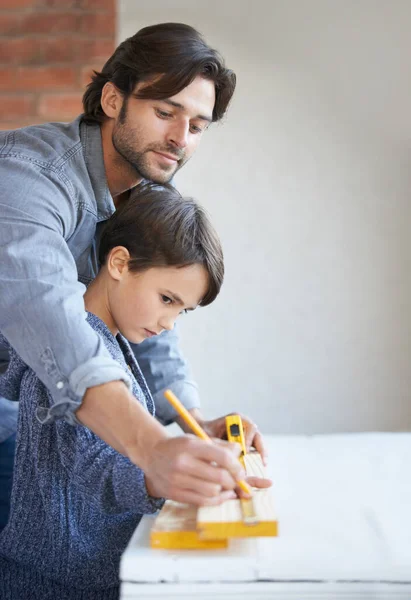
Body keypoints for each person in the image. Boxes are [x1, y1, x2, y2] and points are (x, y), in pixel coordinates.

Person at [0, 22, 268, 530]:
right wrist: (154, 447)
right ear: (112, 100)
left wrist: (189, 424)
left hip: (28, 417)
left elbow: (151, 328)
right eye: (165, 112)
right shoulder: (27, 179)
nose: (179, 138)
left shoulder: (150, 197)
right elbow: (56, 326)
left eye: (197, 125)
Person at [0, 184, 271, 600]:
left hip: (90, 573)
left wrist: (191, 451)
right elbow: (89, 465)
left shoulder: (111, 342)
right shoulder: (68, 356)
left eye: (182, 310)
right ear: (120, 263)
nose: (168, 323)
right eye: (166, 299)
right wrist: (167, 480)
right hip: (53, 584)